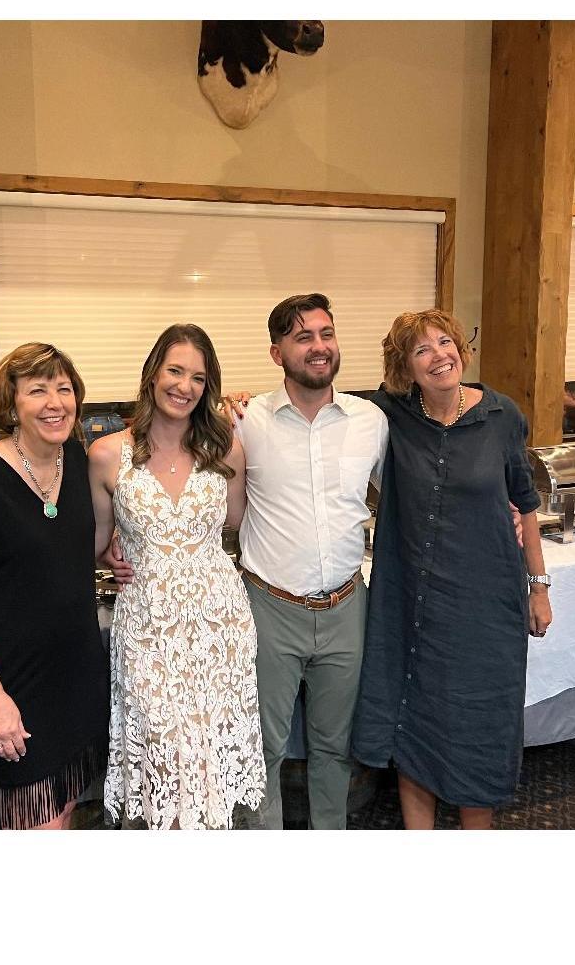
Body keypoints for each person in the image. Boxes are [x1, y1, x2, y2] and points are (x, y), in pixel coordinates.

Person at [350, 309, 552, 830]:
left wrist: (539, 587)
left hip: (486, 603)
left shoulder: (502, 415)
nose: (439, 355)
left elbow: (524, 502)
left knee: (478, 722)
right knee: (413, 716)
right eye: (422, 350)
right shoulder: (390, 414)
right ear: (405, 368)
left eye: (446, 342)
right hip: (413, 600)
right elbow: (321, 403)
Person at [88, 324, 266, 829]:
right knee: (161, 750)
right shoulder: (107, 455)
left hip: (218, 627)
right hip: (148, 626)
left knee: (210, 755)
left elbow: (233, 522)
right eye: (175, 370)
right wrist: (110, 556)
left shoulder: (225, 448)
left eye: (198, 377)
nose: (184, 386)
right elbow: (95, 542)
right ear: (152, 374)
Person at [0, 343, 110, 830]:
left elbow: (61, 551)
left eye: (64, 388)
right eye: (38, 390)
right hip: (11, 691)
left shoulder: (75, 460)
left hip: (73, 685)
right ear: (11, 406)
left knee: (64, 813)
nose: (55, 402)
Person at [228, 293, 389, 830]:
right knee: (264, 748)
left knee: (333, 748)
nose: (319, 347)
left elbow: (415, 496)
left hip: (346, 606)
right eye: (303, 337)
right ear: (277, 353)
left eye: (326, 333)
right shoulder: (247, 420)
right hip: (269, 608)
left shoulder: (371, 421)